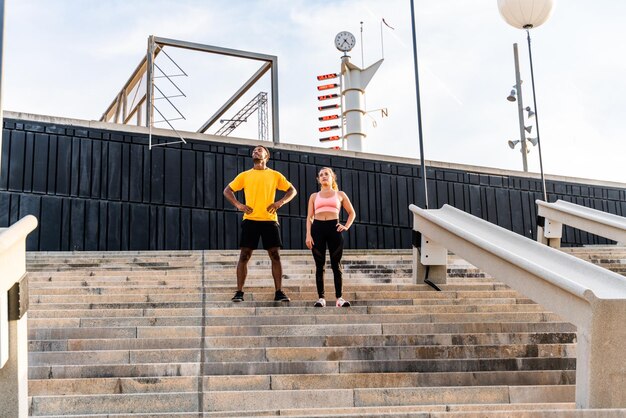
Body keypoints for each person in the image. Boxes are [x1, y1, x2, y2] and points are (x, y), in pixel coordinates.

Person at [223, 145, 297, 303]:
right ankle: (239, 292)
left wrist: (280, 202)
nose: (255, 152)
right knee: (244, 255)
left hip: (270, 220)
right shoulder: (245, 175)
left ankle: (279, 292)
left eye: (259, 150)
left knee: (275, 255)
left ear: (266, 156)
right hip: (250, 220)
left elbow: (292, 190)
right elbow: (227, 190)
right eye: (254, 150)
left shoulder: (275, 175)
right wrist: (239, 205)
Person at [305, 167, 356, 307]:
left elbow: (352, 213)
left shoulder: (340, 194)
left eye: (326, 174)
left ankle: (339, 298)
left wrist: (346, 226)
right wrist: (308, 235)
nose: (323, 176)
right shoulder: (314, 196)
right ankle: (321, 298)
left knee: (336, 265)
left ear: (332, 177)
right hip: (317, 229)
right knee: (319, 265)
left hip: (334, 229)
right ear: (318, 179)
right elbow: (309, 217)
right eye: (321, 175)